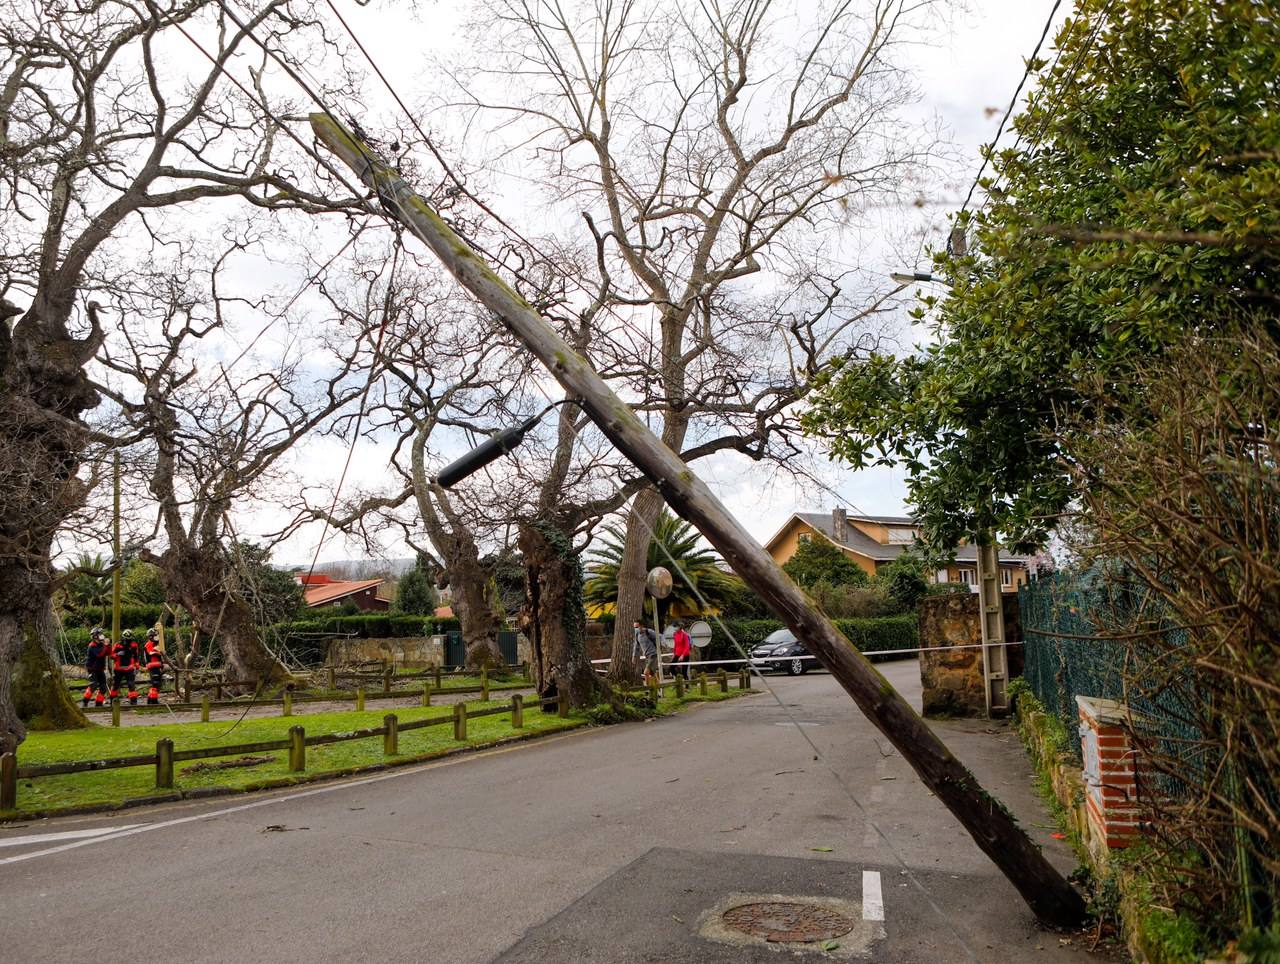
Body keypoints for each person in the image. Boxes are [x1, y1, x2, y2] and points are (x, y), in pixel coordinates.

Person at [111, 629, 142, 705]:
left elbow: (136, 657)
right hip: (118, 668)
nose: (129, 640)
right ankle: (112, 701)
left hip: (129, 668)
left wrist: (137, 666)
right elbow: (111, 655)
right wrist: (118, 654)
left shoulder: (134, 645)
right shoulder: (117, 645)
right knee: (116, 685)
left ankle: (133, 701)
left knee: (131, 685)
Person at [82, 627, 110, 707]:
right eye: (100, 634)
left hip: (100, 668)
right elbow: (100, 654)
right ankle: (85, 701)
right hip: (92, 668)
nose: (102, 635)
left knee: (103, 687)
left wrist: (108, 645)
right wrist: (105, 646)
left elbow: (108, 652)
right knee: (93, 685)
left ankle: (99, 703)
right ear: (95, 636)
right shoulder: (92, 646)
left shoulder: (101, 644)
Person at [143, 628, 166, 704]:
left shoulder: (156, 644)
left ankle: (150, 699)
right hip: (152, 666)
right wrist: (158, 651)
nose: (157, 638)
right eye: (155, 636)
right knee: (155, 683)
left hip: (157, 666)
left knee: (156, 684)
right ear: (151, 637)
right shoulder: (148, 644)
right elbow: (151, 653)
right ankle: (154, 701)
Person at [633, 620, 658, 685]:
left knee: (645, 672)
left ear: (641, 626)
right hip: (646, 656)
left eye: (637, 627)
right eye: (634, 627)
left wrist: (660, 645)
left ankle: (647, 689)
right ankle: (659, 688)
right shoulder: (637, 634)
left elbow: (659, 637)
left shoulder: (649, 632)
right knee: (652, 674)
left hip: (653, 655)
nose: (635, 629)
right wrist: (634, 656)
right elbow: (636, 646)